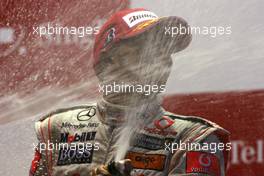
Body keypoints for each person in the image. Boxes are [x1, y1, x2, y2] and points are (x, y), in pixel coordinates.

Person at [29, 8, 230, 176]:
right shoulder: (55, 128)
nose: (162, 58)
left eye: (165, 49)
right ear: (107, 61)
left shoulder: (194, 137)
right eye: (146, 47)